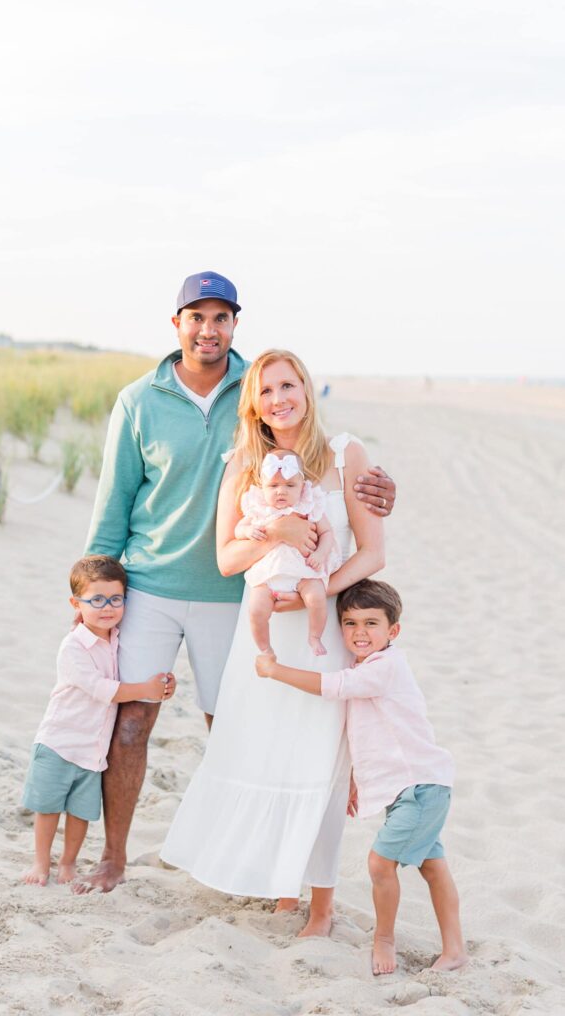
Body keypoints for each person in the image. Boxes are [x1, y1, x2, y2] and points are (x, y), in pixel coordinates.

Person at [76, 272, 397, 895]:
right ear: (177, 325)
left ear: (233, 325)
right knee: (133, 720)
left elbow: (324, 462)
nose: (208, 329)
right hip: (151, 584)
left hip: (236, 598)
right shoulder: (138, 401)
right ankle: (113, 857)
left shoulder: (258, 385)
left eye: (220, 318)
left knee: (233, 727)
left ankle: (252, 866)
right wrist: (94, 590)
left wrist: (383, 489)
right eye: (196, 317)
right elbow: (113, 500)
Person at [160, 349, 387, 937]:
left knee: (322, 761)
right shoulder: (242, 464)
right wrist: (274, 536)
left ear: (307, 390)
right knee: (267, 752)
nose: (279, 398)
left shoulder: (346, 455)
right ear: (254, 404)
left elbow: (372, 550)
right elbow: (226, 556)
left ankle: (322, 905)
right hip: (263, 637)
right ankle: (281, 885)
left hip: (322, 630)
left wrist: (316, 589)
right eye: (265, 391)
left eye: (288, 385)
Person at [256, 579, 467, 974]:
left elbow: (333, 688)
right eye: (350, 623)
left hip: (419, 787)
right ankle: (454, 949)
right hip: (414, 787)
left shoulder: (385, 666)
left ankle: (384, 939)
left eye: (371, 623)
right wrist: (356, 777)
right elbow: (367, 729)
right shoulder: (366, 666)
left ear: (393, 631)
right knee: (433, 867)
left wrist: (274, 670)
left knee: (378, 864)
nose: (359, 633)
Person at [22, 555, 175, 887]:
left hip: (93, 750)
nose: (108, 608)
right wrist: (144, 688)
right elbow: (102, 689)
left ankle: (68, 864)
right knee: (48, 808)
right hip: (60, 743)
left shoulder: (118, 638)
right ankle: (40, 863)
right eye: (97, 600)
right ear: (76, 603)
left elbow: (134, 674)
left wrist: (160, 685)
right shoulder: (73, 646)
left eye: (116, 599)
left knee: (80, 813)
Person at [235, 446, 340, 655]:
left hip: (303, 571)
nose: (281, 491)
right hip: (268, 573)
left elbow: (327, 533)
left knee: (317, 597)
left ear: (302, 487)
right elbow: (238, 529)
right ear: (262, 487)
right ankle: (265, 648)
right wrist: (247, 530)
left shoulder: (308, 507)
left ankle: (314, 636)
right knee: (256, 609)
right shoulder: (259, 509)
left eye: (290, 485)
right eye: (273, 485)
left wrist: (320, 554)